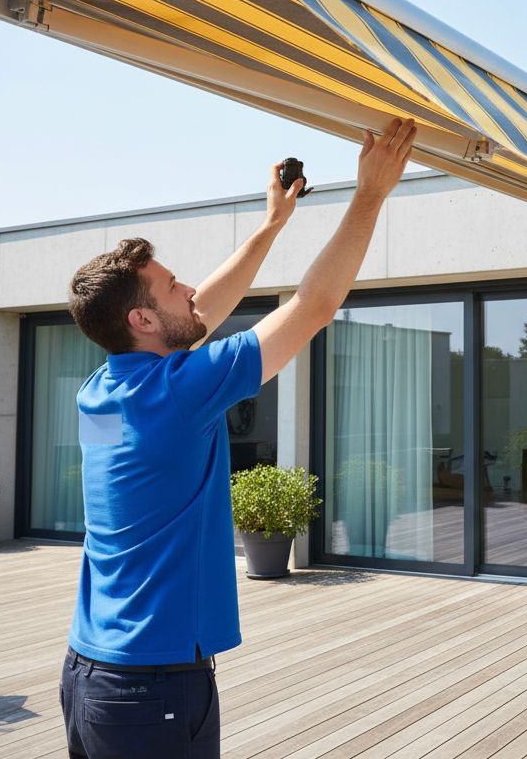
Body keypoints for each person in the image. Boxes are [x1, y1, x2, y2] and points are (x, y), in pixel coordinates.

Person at [60, 118, 416, 759]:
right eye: (172, 284)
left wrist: (271, 224)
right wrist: (371, 196)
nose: (190, 287)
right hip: (153, 690)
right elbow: (312, 308)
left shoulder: (103, 389)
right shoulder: (176, 392)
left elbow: (194, 320)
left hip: (93, 673)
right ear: (140, 318)